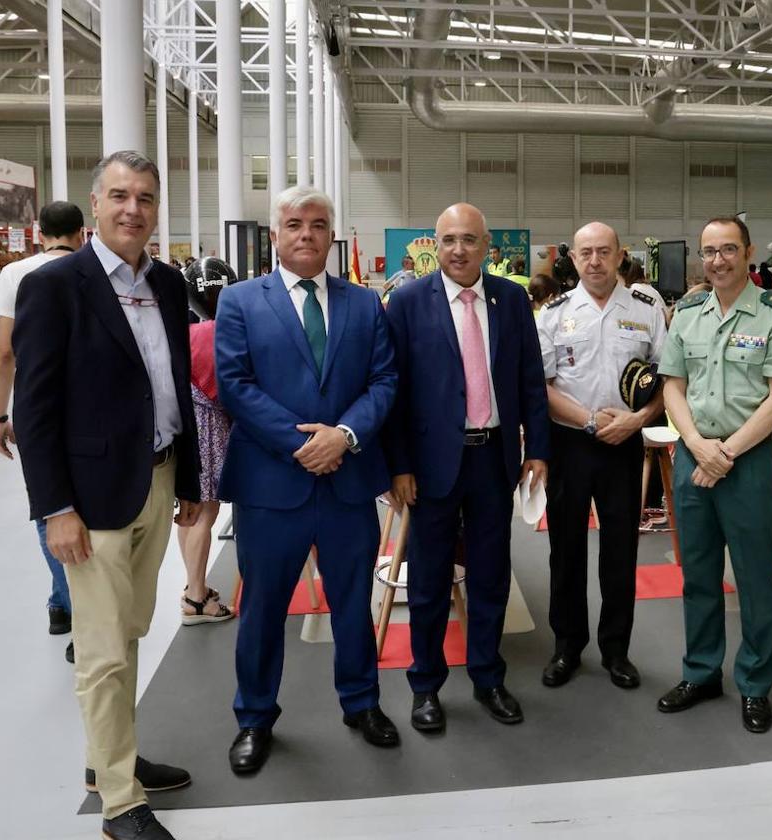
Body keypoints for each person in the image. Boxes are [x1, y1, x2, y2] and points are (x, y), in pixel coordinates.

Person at [13, 151, 201, 840]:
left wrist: (186, 480)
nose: (133, 209)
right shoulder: (57, 287)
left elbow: (175, 390)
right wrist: (54, 508)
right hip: (89, 500)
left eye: (145, 198)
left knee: (130, 631)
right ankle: (119, 803)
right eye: (119, 195)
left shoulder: (171, 286)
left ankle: (107, 759)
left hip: (154, 481)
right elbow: (33, 408)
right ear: (94, 205)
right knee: (103, 649)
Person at [217, 186, 400, 776]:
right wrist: (302, 444)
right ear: (275, 235)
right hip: (271, 488)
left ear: (331, 234)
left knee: (353, 604)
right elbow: (236, 385)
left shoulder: (365, 304)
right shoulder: (241, 301)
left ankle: (362, 703)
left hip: (347, 483)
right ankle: (254, 717)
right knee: (264, 609)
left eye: (318, 224)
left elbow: (384, 382)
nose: (306, 234)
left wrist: (342, 436)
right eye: (294, 224)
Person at [385, 202, 549, 733]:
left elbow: (530, 380)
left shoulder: (511, 299)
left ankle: (487, 677)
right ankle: (425, 686)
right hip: (431, 466)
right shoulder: (407, 302)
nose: (459, 250)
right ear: (436, 245)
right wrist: (400, 464)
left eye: (470, 240)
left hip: (493, 458)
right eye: (449, 239)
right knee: (429, 580)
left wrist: (538, 449)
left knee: (491, 575)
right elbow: (396, 391)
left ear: (487, 247)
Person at [655, 216, 772, 735]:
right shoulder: (688, 313)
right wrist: (697, 445)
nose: (717, 260)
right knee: (697, 575)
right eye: (709, 251)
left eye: (728, 250)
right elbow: (672, 384)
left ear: (748, 252)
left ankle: (755, 684)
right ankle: (701, 673)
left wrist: (727, 453)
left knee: (755, 577)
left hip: (751, 462)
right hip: (694, 455)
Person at [536, 222, 666, 690]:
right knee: (565, 550)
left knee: (620, 550)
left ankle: (617, 650)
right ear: (572, 258)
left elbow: (667, 380)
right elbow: (544, 387)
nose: (594, 260)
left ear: (619, 255)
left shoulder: (648, 309)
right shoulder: (552, 313)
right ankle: (567, 646)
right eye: (586, 252)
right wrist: (591, 421)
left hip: (624, 445)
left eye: (603, 252)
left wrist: (637, 420)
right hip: (570, 442)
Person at [0, 200, 85, 663]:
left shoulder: (14, 276)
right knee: (82, 512)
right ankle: (73, 609)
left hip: (34, 410)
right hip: (87, 411)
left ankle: (61, 604)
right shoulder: (91, 271)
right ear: (81, 231)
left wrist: (0, 415)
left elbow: (4, 354)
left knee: (48, 510)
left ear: (38, 230)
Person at [176, 257, 240, 624]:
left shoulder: (185, 334)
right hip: (212, 429)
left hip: (187, 427)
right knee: (206, 511)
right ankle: (198, 598)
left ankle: (191, 586)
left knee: (188, 511)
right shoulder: (227, 334)